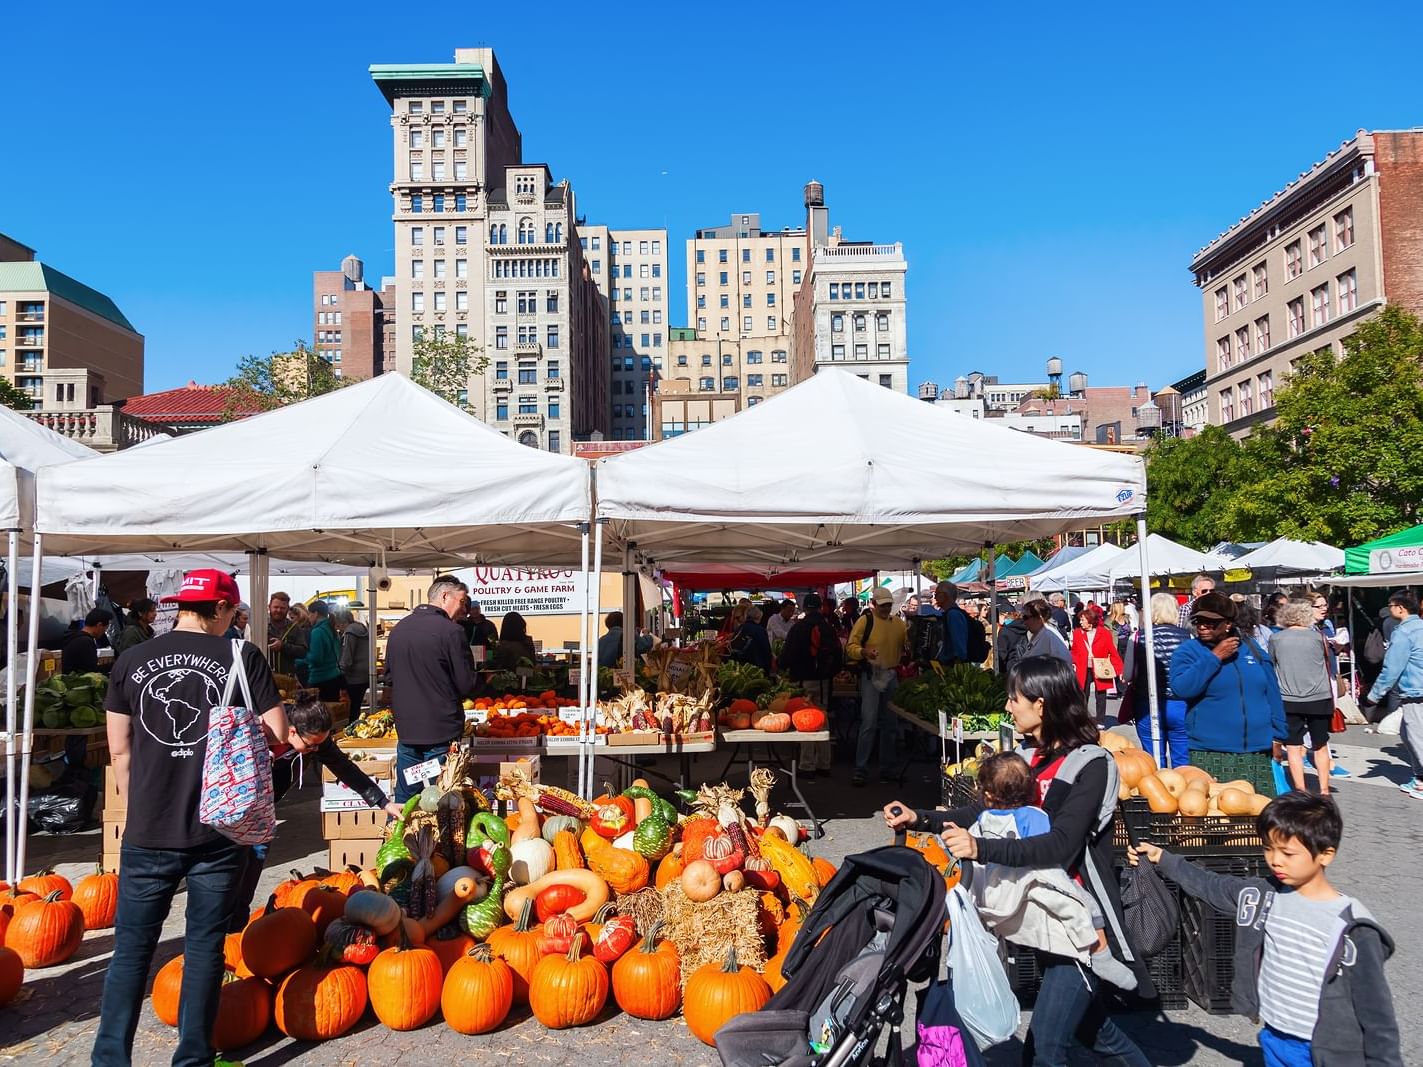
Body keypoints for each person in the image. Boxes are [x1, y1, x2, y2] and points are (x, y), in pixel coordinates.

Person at [883, 657, 1151, 1067]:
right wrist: (921, 819)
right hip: (1042, 920)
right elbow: (983, 814)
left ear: (1041, 704)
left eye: (1014, 698)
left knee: (1046, 1047)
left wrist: (982, 849)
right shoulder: (1031, 758)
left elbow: (1060, 846)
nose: (1009, 707)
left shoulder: (1092, 764)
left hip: (1079, 925)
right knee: (1094, 1031)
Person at [96, 569, 289, 1067]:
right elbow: (279, 733)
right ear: (222, 610)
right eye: (234, 613)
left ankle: (110, 1058)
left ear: (180, 607)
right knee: (205, 948)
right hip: (218, 829)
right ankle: (192, 1058)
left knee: (131, 953)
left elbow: (119, 750)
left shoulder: (131, 659)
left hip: (147, 829)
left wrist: (139, 807)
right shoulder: (240, 658)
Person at [1134, 794, 1400, 1067]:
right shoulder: (1263, 894)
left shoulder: (1351, 926)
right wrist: (1163, 858)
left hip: (1325, 1046)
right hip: (1274, 1034)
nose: (1275, 861)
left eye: (1288, 853)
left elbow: (1376, 1010)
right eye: (1269, 848)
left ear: (1325, 854)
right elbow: (1212, 886)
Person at [228, 695, 403, 930]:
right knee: (227, 882)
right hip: (232, 816)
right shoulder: (254, 731)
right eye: (311, 745)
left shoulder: (315, 739)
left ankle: (236, 931)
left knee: (248, 876)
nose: (316, 749)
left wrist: (382, 801)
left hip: (263, 816)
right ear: (290, 732)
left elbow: (344, 768)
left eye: (321, 743)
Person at [966, 751, 1137, 992]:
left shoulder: (983, 819)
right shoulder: (1034, 815)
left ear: (988, 795)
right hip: (1032, 882)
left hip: (995, 891)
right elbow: (1045, 850)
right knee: (1083, 905)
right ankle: (1100, 953)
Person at [1169, 591, 1286, 794]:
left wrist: (1278, 736)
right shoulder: (1188, 651)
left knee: (1259, 816)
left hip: (1257, 751)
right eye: (1198, 621)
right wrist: (1214, 657)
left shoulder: (1252, 649)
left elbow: (1272, 694)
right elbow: (1182, 688)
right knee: (1218, 819)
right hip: (1211, 751)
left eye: (1211, 622)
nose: (1203, 626)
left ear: (1228, 624)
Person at [385, 576, 478, 803]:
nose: (464, 609)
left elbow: (388, 678)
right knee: (440, 798)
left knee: (407, 795)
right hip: (441, 729)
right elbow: (466, 684)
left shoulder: (399, 629)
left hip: (407, 730)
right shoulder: (451, 632)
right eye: (462, 601)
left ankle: (395, 836)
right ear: (445, 596)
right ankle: (439, 838)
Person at [1270, 598, 1337, 796]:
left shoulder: (1276, 639)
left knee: (1292, 746)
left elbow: (1273, 664)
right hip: (1318, 696)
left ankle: (1300, 789)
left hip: (1288, 697)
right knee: (1320, 744)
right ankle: (1324, 789)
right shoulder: (1318, 638)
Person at [846, 586, 907, 787]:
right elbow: (850, 647)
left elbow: (906, 646)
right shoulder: (865, 621)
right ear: (873, 604)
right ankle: (861, 768)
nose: (886, 608)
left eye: (888, 605)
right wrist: (863, 653)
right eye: (882, 605)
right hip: (871, 676)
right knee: (869, 723)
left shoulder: (898, 624)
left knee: (891, 724)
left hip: (891, 674)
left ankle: (887, 767)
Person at [1121, 592, 1190, 768]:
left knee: (1153, 759)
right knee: (1182, 758)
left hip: (1148, 702)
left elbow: (1128, 675)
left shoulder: (1137, 637)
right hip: (1180, 702)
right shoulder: (1188, 637)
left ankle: (1157, 791)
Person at [778, 592, 843, 776]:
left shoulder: (799, 628)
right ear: (820, 607)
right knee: (823, 718)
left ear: (805, 608)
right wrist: (831, 674)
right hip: (823, 681)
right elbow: (839, 654)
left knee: (805, 719)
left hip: (803, 679)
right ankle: (824, 763)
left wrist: (784, 668)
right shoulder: (828, 628)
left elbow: (786, 656)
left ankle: (807, 764)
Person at [1368, 591, 1423, 799]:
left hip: (1416, 691)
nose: (1389, 609)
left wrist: (1374, 696)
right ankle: (1419, 777)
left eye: (1390, 605)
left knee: (1416, 737)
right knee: (1407, 734)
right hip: (1416, 690)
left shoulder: (1404, 632)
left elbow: (1392, 668)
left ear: (1401, 608)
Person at [1070, 604, 1122, 723]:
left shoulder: (1104, 633)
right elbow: (1074, 651)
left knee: (1101, 694)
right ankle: (1082, 719)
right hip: (1083, 666)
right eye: (1080, 620)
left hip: (1100, 665)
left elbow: (1112, 651)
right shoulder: (1078, 633)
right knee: (1083, 693)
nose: (1080, 622)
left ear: (1090, 621)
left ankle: (1100, 721)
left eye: (1083, 620)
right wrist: (1073, 662)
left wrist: (1119, 669)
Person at [1003, 598, 1072, 675]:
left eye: (1026, 617)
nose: (1024, 622)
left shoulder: (1049, 635)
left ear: (1040, 617)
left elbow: (1061, 666)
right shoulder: (1039, 634)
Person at [299, 599, 344, 701]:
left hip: (320, 679)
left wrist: (299, 660)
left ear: (315, 614)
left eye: (310, 614)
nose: (309, 618)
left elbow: (316, 659)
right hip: (335, 677)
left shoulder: (317, 632)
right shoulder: (331, 629)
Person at [335, 607, 370, 716]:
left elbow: (347, 658)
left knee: (352, 710)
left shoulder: (350, 633)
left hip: (353, 677)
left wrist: (339, 670)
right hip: (365, 675)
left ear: (344, 622)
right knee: (357, 706)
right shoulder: (362, 629)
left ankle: (352, 730)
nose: (338, 629)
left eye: (338, 625)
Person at [266, 592, 308, 677]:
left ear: (287, 609)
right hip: (265, 678)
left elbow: (303, 652)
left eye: (282, 608)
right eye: (276, 607)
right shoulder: (260, 626)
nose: (278, 610)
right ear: (269, 606)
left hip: (287, 679)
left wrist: (283, 646)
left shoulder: (295, 628)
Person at [728, 604, 773, 672]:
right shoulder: (761, 630)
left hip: (742, 668)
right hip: (758, 669)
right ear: (758, 617)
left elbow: (733, 650)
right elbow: (767, 651)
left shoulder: (740, 629)